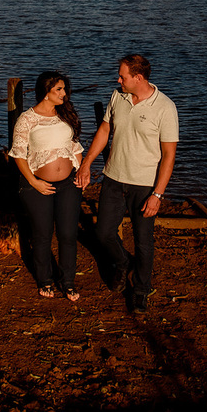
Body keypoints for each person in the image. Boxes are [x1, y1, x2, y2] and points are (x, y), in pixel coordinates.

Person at [76, 54, 178, 312]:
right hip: (113, 178)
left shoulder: (165, 107)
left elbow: (169, 155)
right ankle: (122, 263)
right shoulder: (118, 97)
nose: (118, 80)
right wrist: (87, 164)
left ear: (138, 78)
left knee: (143, 241)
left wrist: (158, 195)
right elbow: (104, 130)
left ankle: (141, 290)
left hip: (144, 185)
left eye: (122, 76)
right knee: (103, 233)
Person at [9, 71, 85, 301]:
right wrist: (34, 182)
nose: (64, 94)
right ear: (45, 92)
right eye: (59, 90)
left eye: (64, 89)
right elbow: (18, 154)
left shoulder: (65, 115)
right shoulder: (27, 119)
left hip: (69, 184)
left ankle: (68, 281)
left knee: (68, 234)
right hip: (37, 185)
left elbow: (75, 147)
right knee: (42, 235)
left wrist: (80, 172)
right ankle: (45, 280)